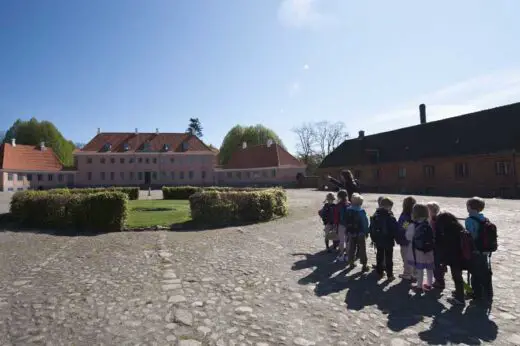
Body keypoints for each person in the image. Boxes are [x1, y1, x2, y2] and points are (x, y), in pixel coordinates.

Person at [435, 212, 471, 306]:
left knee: (457, 278)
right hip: (463, 256)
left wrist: (444, 261)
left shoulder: (448, 232)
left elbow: (448, 248)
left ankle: (460, 298)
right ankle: (462, 292)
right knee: (459, 277)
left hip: (455, 258)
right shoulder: (459, 228)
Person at [465, 196, 496, 305]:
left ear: (470, 207)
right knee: (484, 271)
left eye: (467, 206)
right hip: (486, 251)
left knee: (475, 272)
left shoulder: (470, 220)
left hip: (476, 250)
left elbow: (471, 236)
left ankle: (476, 293)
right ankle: (487, 291)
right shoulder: (484, 219)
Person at [408, 204, 435, 292]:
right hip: (429, 249)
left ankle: (419, 286)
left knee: (420, 268)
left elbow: (408, 236)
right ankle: (429, 284)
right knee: (429, 268)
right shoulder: (428, 223)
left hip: (418, 250)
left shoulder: (413, 225)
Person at [369, 197, 399, 280]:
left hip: (378, 240)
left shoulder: (375, 216)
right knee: (389, 258)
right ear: (389, 207)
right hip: (388, 240)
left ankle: (379, 272)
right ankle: (390, 275)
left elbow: (371, 228)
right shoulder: (391, 217)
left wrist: (373, 239)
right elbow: (395, 229)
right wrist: (397, 238)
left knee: (379, 256)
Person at [345, 193, 370, 271]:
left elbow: (344, 221)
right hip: (360, 233)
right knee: (362, 249)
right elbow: (365, 223)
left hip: (351, 232)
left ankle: (351, 263)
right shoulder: (361, 211)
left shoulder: (348, 210)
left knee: (351, 248)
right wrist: (366, 232)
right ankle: (364, 264)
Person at [427, 201, 446, 289]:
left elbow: (404, 227)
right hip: (440, 245)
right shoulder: (438, 219)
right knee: (439, 263)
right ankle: (439, 279)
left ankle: (439, 281)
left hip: (435, 246)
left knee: (436, 263)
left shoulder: (434, 221)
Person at [398, 196, 417, 281]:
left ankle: (407, 273)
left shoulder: (405, 216)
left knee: (406, 258)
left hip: (405, 241)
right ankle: (414, 274)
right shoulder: (415, 216)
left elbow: (403, 227)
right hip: (414, 241)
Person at [334, 189, 351, 262]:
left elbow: (336, 217)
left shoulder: (338, 206)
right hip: (349, 225)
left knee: (341, 241)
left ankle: (341, 255)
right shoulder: (350, 204)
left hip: (341, 225)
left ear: (339, 197)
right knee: (347, 241)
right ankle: (347, 255)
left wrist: (335, 225)